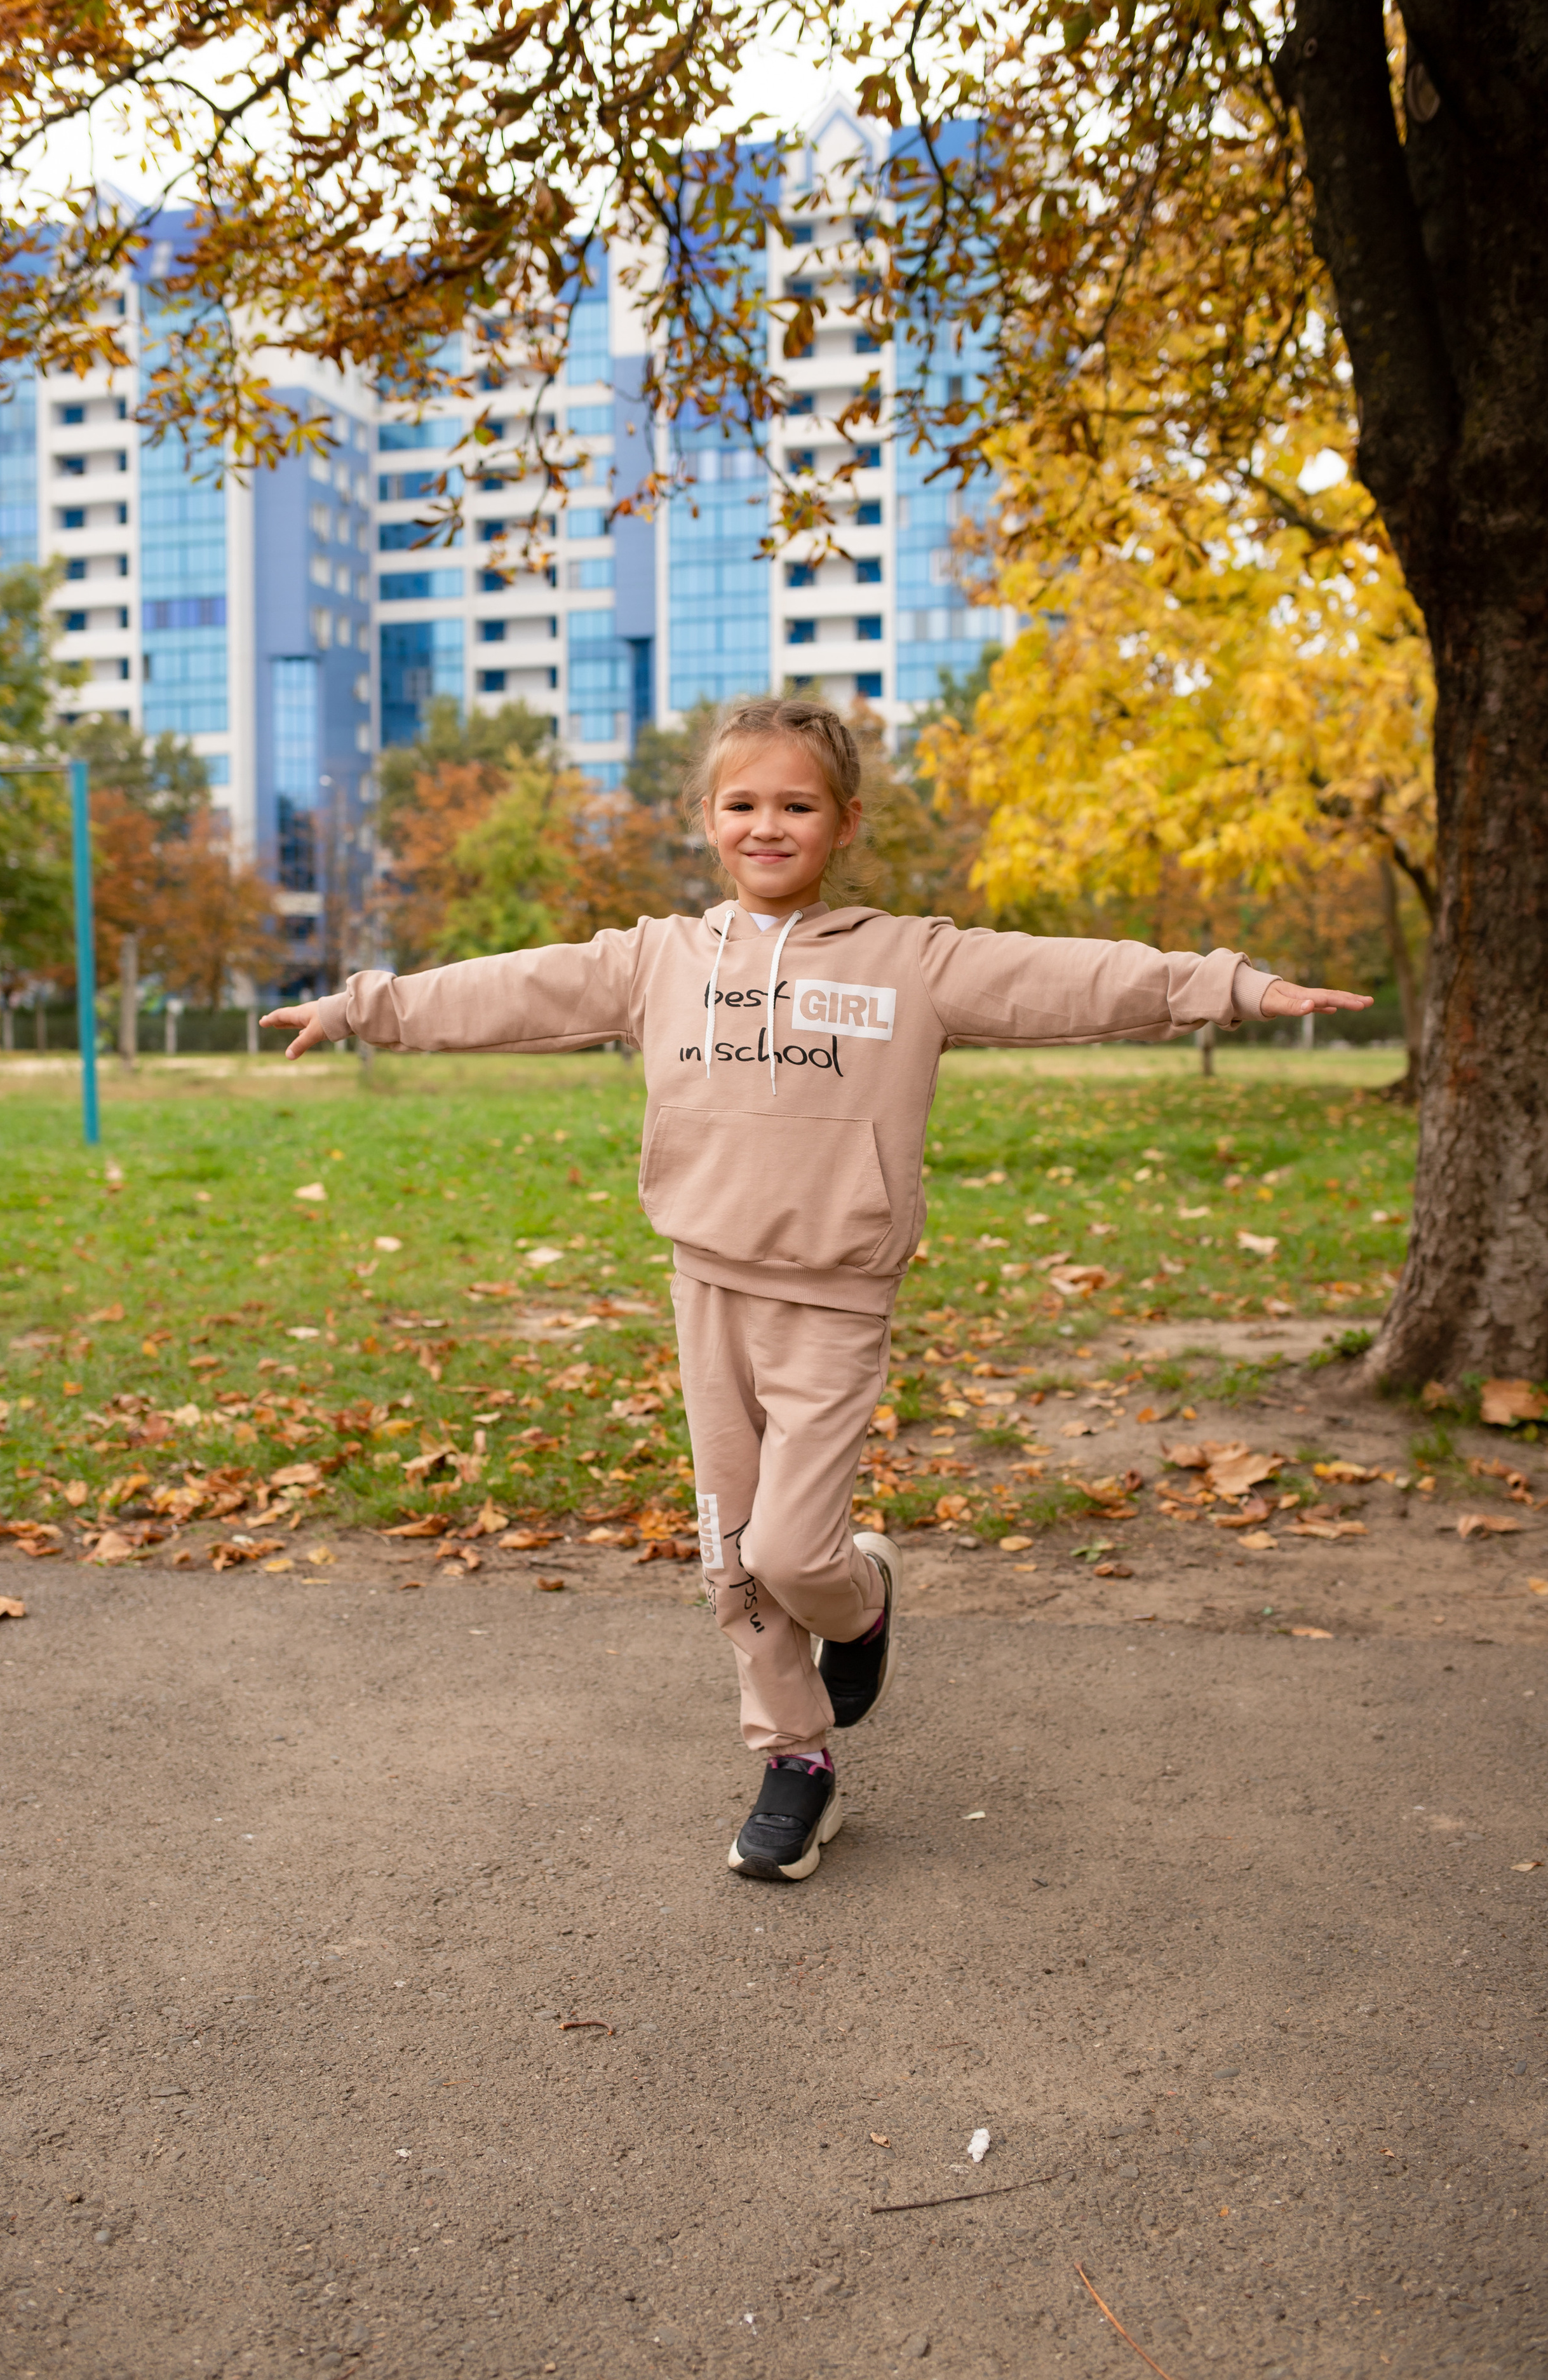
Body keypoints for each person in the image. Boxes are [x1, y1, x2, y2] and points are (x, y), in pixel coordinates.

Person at [262, 697, 1370, 1883]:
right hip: (708, 1291)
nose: (767, 827)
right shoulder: (661, 960)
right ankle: (797, 1760)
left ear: (843, 823)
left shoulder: (915, 962)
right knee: (731, 1559)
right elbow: (512, 990)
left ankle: (864, 1600)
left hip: (836, 1301)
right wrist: (362, 1005)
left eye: (796, 806)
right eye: (743, 805)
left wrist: (1235, 987)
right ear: (709, 820)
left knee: (796, 1554)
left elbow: (1074, 979)